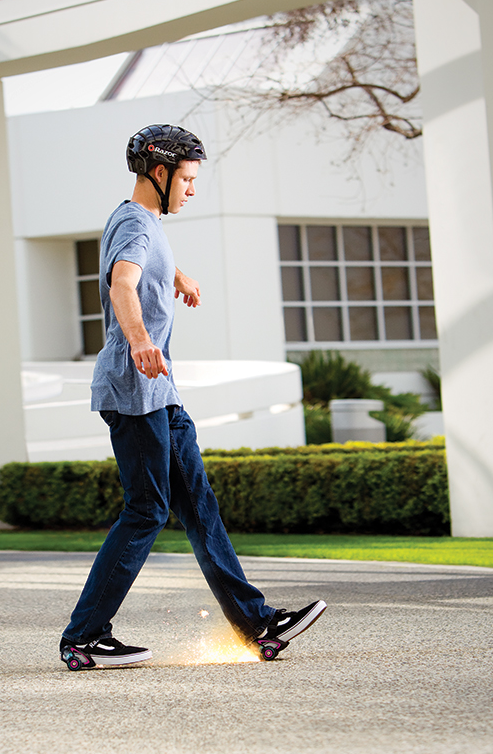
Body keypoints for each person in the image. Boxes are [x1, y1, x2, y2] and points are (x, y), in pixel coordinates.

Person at [59, 124, 326, 671]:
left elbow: (141, 264)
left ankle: (256, 624)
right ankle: (83, 638)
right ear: (159, 173)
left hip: (160, 390)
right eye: (187, 179)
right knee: (147, 509)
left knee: (199, 507)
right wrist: (139, 340)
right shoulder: (135, 222)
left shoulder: (143, 222)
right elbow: (122, 282)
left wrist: (177, 276)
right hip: (135, 389)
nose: (192, 189)